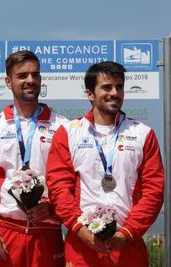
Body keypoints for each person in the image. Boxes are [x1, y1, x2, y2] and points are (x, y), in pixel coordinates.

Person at [46, 61, 164, 266]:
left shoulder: (143, 134)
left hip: (128, 244)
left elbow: (154, 191)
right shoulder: (69, 132)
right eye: (106, 87)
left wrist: (127, 233)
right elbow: (59, 189)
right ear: (90, 94)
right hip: (83, 244)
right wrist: (80, 230)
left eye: (119, 87)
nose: (114, 93)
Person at [0, 50, 68, 267]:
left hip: (47, 233)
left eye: (35, 75)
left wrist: (53, 209)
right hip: (4, 234)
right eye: (22, 75)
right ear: (8, 81)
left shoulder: (63, 127)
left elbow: (73, 185)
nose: (30, 80)